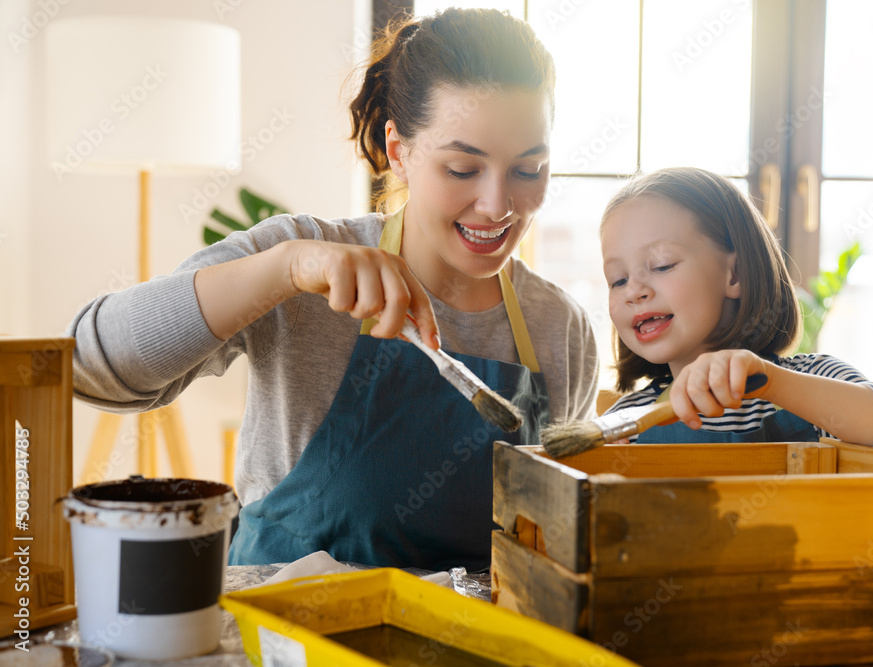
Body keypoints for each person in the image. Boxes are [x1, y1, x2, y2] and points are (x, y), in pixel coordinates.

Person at [68, 8, 599, 571]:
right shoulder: (303, 254)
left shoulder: (559, 327)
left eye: (528, 170)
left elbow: (558, 550)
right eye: (463, 169)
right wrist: (285, 270)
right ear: (399, 152)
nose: (497, 206)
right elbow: (88, 365)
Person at [600, 167, 873, 454]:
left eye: (661, 264)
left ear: (734, 274)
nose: (633, 291)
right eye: (618, 280)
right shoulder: (628, 422)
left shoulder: (813, 379)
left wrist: (771, 383)